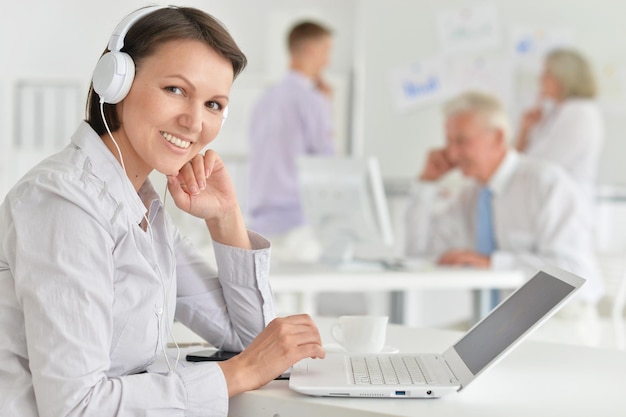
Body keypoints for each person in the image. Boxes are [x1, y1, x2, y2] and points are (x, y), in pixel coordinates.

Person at [0, 6, 324, 417]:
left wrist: (224, 217)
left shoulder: (141, 206)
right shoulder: (64, 202)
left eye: (213, 104)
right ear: (116, 83)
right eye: (175, 89)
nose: (193, 121)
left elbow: (252, 339)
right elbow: (75, 408)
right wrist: (237, 375)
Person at [405, 91, 604, 330]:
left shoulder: (546, 184)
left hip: (561, 319)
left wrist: (491, 263)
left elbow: (574, 271)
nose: (451, 154)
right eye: (448, 142)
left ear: (498, 138)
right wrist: (426, 185)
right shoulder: (470, 196)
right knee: (430, 346)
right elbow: (418, 255)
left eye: (461, 141)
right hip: (503, 323)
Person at [247, 20, 335, 263]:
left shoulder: (263, 101)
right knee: (303, 299)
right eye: (327, 51)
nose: (328, 61)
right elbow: (327, 160)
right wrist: (328, 107)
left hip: (260, 222)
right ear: (310, 50)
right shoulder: (313, 100)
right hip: (298, 225)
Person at [515, 48, 603, 222]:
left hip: (565, 211)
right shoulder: (554, 112)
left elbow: (538, 164)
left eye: (547, 73)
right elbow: (518, 161)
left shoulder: (580, 112)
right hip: (547, 206)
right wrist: (525, 129)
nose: (540, 79)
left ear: (565, 78)